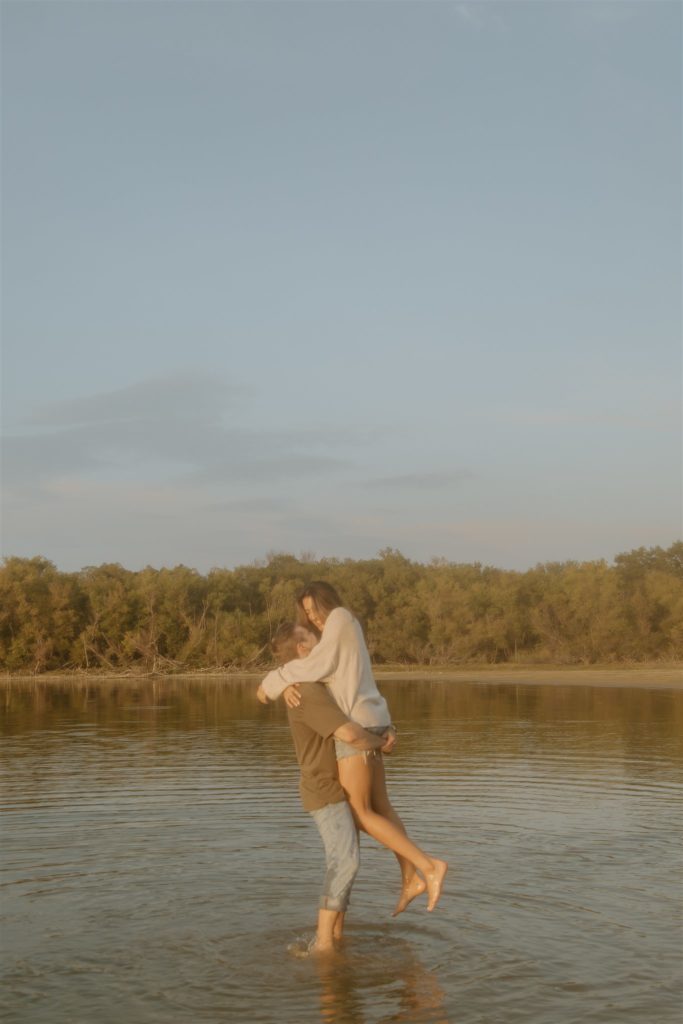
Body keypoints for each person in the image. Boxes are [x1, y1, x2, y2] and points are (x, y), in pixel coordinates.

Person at [259, 582, 448, 914]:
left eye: (314, 610)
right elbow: (316, 663)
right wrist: (286, 681)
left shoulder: (340, 619)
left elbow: (316, 664)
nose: (313, 617)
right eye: (307, 613)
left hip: (359, 725)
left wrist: (275, 681)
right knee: (382, 807)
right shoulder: (346, 626)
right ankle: (410, 879)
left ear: (327, 603)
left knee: (360, 813)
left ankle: (428, 866)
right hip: (374, 718)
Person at [257, 622, 396, 954]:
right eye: (311, 636)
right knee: (345, 861)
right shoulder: (309, 690)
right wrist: (382, 743)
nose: (320, 639)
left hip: (335, 784)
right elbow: (349, 735)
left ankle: (334, 938)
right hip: (324, 788)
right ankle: (322, 944)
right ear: (304, 650)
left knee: (345, 860)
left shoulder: (313, 684)